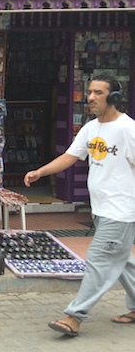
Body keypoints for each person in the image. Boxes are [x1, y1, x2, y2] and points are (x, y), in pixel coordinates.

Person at [24, 75, 135, 337]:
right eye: (90, 92)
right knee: (122, 261)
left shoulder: (127, 129)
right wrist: (40, 172)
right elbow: (69, 157)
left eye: (98, 92)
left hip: (120, 211)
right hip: (101, 209)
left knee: (98, 259)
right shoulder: (90, 128)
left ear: (114, 97)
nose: (91, 97)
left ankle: (75, 316)